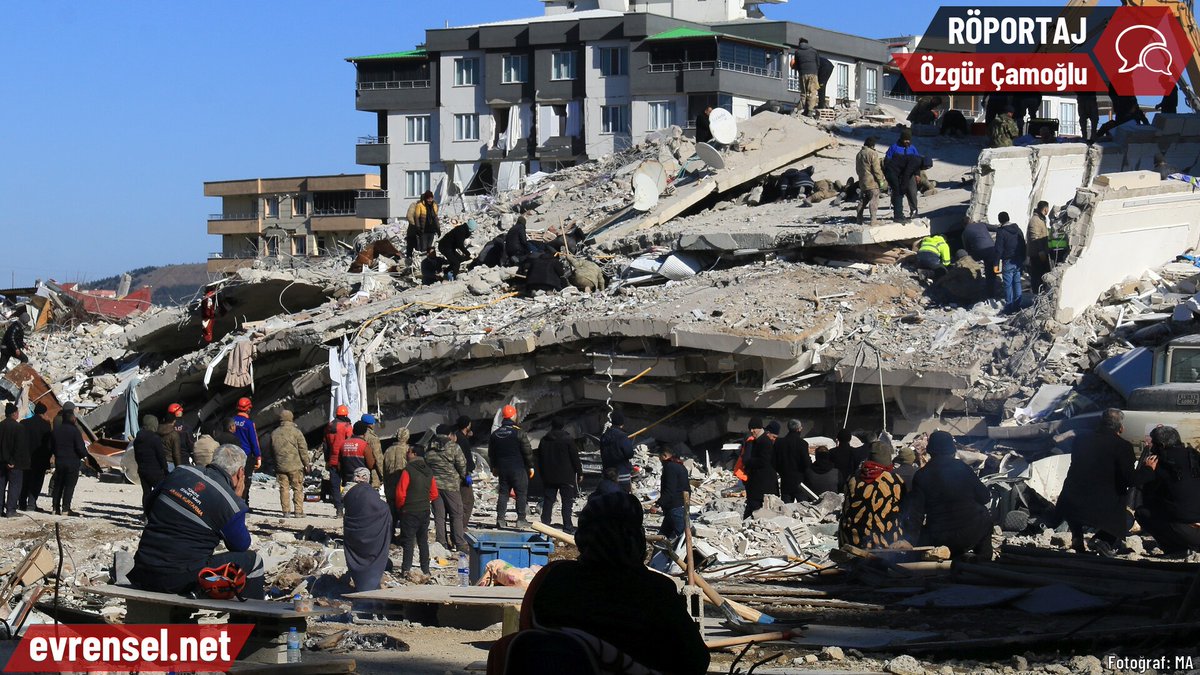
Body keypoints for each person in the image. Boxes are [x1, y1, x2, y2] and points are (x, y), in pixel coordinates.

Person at [505, 492, 710, 675]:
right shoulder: (655, 590)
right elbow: (696, 661)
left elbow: (528, 637)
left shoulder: (553, 578)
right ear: (636, 539)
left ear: (582, 538)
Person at [129, 444, 265, 599]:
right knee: (254, 561)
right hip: (180, 579)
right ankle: (251, 620)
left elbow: (149, 505)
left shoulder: (181, 472)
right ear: (241, 472)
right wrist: (237, 500)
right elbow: (240, 545)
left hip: (142, 570)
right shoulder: (231, 503)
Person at [1055, 409, 1136, 556]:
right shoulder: (1123, 446)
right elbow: (1129, 478)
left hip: (1071, 500)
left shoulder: (1081, 440)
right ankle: (1101, 540)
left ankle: (1077, 538)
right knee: (1125, 518)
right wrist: (1148, 470)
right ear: (1121, 428)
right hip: (1102, 504)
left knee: (1077, 508)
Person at [901, 431, 992, 558]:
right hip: (970, 533)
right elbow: (985, 497)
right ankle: (984, 560)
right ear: (952, 451)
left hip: (940, 537)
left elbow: (916, 513)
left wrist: (909, 540)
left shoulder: (922, 475)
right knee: (983, 514)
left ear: (930, 451)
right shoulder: (963, 468)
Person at [1133, 426, 1200, 555]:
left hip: (1187, 530)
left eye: (1153, 443)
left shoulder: (1160, 462)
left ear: (1162, 445)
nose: (1151, 447)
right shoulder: (1194, 456)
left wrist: (1147, 470)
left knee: (1143, 513)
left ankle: (1175, 549)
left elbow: (1147, 497)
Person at [838, 441, 905, 549]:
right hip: (883, 542)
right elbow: (903, 507)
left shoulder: (853, 477)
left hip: (849, 539)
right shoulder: (894, 480)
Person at [343, 466, 391, 592]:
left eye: (363, 476)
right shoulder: (366, 491)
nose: (361, 479)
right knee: (372, 559)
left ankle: (361, 586)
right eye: (359, 476)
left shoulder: (347, 491)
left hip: (353, 534)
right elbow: (381, 509)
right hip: (371, 534)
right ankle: (370, 587)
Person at [396, 444, 438, 579]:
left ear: (414, 454)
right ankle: (426, 569)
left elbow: (400, 493)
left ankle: (406, 569)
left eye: (408, 452)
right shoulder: (429, 471)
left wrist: (401, 507)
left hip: (409, 510)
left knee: (408, 542)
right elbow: (434, 493)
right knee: (423, 541)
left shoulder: (408, 470)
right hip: (425, 510)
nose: (407, 454)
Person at [489, 405, 535, 528]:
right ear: (514, 416)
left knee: (503, 493)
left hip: (503, 469)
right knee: (521, 493)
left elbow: (491, 453)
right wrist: (531, 466)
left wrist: (494, 467)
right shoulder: (518, 432)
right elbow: (527, 450)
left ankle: (500, 519)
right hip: (518, 469)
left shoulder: (496, 434)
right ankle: (520, 519)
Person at [426, 425, 468, 552]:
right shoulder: (453, 446)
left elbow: (426, 463)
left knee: (439, 516)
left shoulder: (429, 446)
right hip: (451, 485)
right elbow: (462, 464)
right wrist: (463, 476)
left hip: (434, 486)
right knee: (456, 514)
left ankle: (441, 543)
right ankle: (459, 543)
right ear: (449, 434)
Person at [537, 419, 582, 534]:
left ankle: (545, 524)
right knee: (567, 502)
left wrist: (542, 474)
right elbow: (575, 458)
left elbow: (540, 459)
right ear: (563, 426)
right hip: (566, 476)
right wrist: (579, 472)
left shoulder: (544, 440)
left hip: (549, 476)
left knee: (548, 501)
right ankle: (567, 526)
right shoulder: (568, 440)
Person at [270, 409, 310, 518]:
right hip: (295, 466)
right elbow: (303, 449)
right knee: (297, 488)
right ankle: (298, 512)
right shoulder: (296, 432)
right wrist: (307, 464)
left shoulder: (274, 433)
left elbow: (271, 451)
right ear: (291, 418)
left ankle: (286, 512)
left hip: (281, 466)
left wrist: (276, 463)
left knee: (284, 489)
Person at [51, 405, 88, 516]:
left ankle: (55, 508)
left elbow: (51, 446)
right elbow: (80, 448)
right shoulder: (75, 431)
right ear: (72, 418)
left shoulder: (56, 431)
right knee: (69, 485)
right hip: (72, 462)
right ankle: (66, 509)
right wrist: (84, 455)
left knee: (58, 484)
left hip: (60, 461)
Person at [19, 403, 52, 512]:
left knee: (24, 481)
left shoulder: (24, 423)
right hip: (40, 459)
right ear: (44, 413)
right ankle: (32, 504)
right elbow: (48, 444)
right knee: (37, 482)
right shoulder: (46, 426)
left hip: (25, 458)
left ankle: (22, 503)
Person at [744, 421, 780, 520]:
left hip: (761, 486)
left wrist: (748, 462)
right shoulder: (759, 441)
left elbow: (762, 461)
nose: (752, 431)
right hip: (761, 486)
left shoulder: (762, 441)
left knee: (756, 511)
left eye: (753, 428)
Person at [133, 414, 169, 514]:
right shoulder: (155, 438)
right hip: (155, 471)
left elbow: (136, 456)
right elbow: (161, 456)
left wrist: (141, 465)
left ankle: (146, 514)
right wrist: (165, 469)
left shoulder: (137, 439)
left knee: (146, 493)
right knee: (160, 493)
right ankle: (158, 514)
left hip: (142, 470)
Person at [884, 130, 922, 222]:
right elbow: (887, 161)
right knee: (897, 193)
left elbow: (916, 162)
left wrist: (917, 174)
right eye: (905, 140)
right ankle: (897, 212)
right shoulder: (894, 147)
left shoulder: (912, 148)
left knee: (912, 192)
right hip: (897, 175)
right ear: (901, 139)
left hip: (910, 175)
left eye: (908, 140)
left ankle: (914, 211)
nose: (907, 142)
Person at [323, 405, 354, 518]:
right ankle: (348, 508)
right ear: (345, 414)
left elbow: (325, 445)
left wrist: (327, 460)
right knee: (347, 484)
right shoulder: (347, 427)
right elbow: (350, 443)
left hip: (332, 461)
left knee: (335, 486)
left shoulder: (329, 426)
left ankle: (339, 509)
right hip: (344, 460)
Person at [994, 211, 1027, 314]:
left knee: (1008, 285)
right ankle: (1018, 305)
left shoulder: (1001, 232)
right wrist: (1023, 258)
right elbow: (1023, 243)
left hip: (1008, 260)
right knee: (1017, 282)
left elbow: (998, 249)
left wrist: (996, 263)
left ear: (1000, 220)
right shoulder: (1017, 229)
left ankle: (1009, 308)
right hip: (1018, 260)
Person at [232, 398, 262, 506]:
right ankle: (244, 504)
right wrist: (258, 457)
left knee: (233, 479)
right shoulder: (249, 424)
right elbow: (254, 441)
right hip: (246, 456)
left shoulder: (232, 420)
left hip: (233, 454)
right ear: (248, 408)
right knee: (245, 480)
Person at [0, 403, 28, 517]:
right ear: (14, 414)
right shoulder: (18, 427)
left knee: (1, 486)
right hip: (14, 463)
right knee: (15, 486)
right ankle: (11, 510)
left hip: (1, 461)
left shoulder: (1, 426)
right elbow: (19, 447)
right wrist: (12, 461)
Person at [657, 445, 690, 539]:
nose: (659, 459)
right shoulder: (680, 466)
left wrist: (658, 504)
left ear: (664, 456)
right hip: (680, 506)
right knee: (662, 537)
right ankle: (657, 553)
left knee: (684, 538)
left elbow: (669, 490)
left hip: (675, 508)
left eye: (659, 456)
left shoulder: (670, 468)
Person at [774, 419, 811, 503]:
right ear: (799, 429)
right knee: (803, 509)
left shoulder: (779, 443)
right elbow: (807, 463)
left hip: (785, 481)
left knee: (786, 510)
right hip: (800, 482)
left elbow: (775, 462)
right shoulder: (802, 443)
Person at [961, 218, 999, 298]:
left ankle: (979, 281)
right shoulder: (982, 224)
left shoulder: (965, 233)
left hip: (979, 252)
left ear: (964, 225)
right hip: (991, 249)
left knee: (975, 266)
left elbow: (967, 249)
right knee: (991, 271)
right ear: (972, 221)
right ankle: (993, 292)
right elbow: (996, 228)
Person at [382, 427, 410, 531]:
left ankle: (390, 535)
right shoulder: (408, 450)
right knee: (404, 512)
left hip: (390, 484)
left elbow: (383, 467)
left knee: (391, 511)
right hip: (403, 487)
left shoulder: (388, 450)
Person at [599, 411, 635, 492]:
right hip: (622, 474)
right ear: (622, 424)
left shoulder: (604, 436)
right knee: (623, 499)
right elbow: (629, 454)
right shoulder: (622, 436)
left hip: (608, 474)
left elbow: (602, 454)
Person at [333, 421, 377, 487]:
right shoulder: (364, 445)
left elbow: (339, 465)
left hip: (347, 480)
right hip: (361, 481)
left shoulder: (343, 444)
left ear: (353, 430)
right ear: (365, 432)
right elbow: (371, 465)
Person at [855, 137, 886, 226]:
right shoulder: (872, 153)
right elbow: (876, 169)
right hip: (872, 181)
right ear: (872, 145)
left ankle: (859, 219)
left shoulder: (859, 154)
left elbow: (857, 169)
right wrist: (880, 180)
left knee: (863, 200)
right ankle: (873, 220)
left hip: (862, 181)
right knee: (874, 199)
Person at [454, 416, 477, 531]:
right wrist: (466, 474)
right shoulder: (462, 440)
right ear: (467, 425)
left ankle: (459, 525)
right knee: (468, 500)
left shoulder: (457, 437)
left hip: (456, 474)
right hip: (462, 474)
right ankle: (461, 526)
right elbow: (463, 458)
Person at [406, 190, 440, 259]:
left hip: (425, 230)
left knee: (424, 247)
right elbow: (409, 216)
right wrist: (417, 226)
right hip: (413, 231)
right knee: (412, 245)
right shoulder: (415, 205)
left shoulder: (432, 206)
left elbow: (435, 217)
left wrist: (437, 228)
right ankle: (411, 259)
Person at [1027, 201, 1052, 294]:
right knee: (1037, 274)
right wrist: (1041, 251)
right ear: (1045, 209)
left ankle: (1041, 291)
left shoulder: (1041, 219)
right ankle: (1037, 293)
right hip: (1037, 253)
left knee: (1042, 273)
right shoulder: (1035, 220)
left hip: (1041, 252)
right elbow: (1035, 237)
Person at [793, 38, 820, 116]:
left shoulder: (797, 52)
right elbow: (818, 63)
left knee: (803, 93)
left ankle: (804, 110)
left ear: (799, 43)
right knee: (812, 92)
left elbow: (796, 65)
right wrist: (815, 72)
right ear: (807, 43)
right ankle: (810, 111)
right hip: (813, 74)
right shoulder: (814, 51)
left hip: (802, 74)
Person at [361, 414, 384, 489]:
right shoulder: (373, 438)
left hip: (360, 468)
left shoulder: (359, 434)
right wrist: (383, 474)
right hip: (372, 472)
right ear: (371, 425)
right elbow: (378, 458)